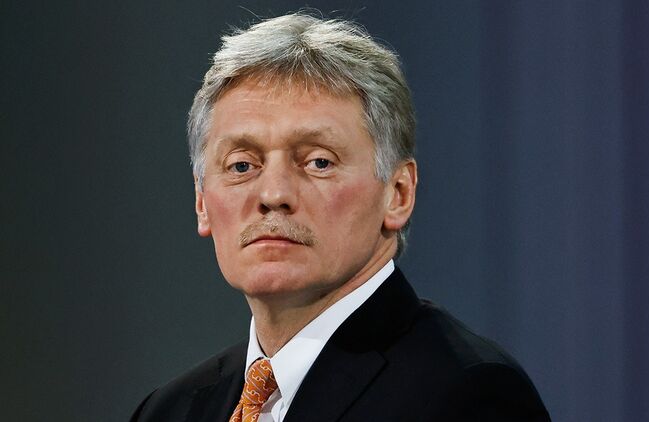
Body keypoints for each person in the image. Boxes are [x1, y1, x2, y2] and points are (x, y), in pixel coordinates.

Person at [131, 12, 550, 422]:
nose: (273, 195)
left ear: (398, 194)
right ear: (202, 201)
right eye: (242, 165)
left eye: (319, 162)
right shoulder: (168, 410)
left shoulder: (467, 395)